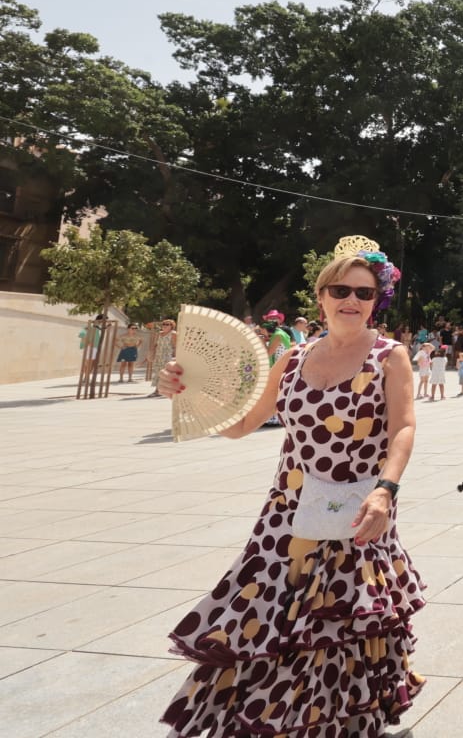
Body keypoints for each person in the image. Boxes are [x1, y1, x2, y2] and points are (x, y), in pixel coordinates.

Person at [158, 242, 424, 736]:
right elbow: (242, 425)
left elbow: (403, 428)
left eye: (364, 293)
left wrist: (386, 490)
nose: (352, 301)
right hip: (286, 519)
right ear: (321, 296)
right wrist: (188, 388)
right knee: (271, 621)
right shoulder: (293, 358)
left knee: (340, 627)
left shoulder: (391, 356)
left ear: (376, 300)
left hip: (358, 512)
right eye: (340, 290)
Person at [147, 318, 176, 397]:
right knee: (158, 373)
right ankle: (158, 390)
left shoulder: (173, 334)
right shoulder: (159, 333)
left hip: (167, 356)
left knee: (165, 374)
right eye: (164, 324)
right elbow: (155, 345)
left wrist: (175, 357)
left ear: (171, 326)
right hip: (158, 356)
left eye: (167, 324)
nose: (165, 326)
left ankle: (160, 391)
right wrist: (151, 353)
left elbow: (175, 346)